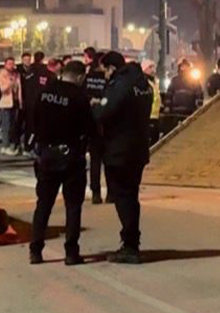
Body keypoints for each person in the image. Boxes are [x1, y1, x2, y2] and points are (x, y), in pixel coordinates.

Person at [29, 60, 97, 266]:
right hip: (71, 157)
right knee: (73, 206)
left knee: (43, 205)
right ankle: (71, 252)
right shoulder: (79, 97)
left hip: (46, 155)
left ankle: (35, 250)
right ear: (79, 77)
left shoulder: (45, 92)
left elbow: (32, 119)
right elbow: (90, 128)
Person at [93, 51, 154, 264]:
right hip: (138, 148)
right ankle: (131, 241)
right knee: (131, 195)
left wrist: (96, 106)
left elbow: (104, 113)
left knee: (123, 197)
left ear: (111, 68)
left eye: (105, 71)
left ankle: (130, 245)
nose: (105, 76)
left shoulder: (121, 84)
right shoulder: (143, 84)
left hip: (120, 149)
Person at [83, 49, 108, 204]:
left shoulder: (87, 77)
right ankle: (111, 192)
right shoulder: (110, 80)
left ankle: (96, 192)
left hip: (92, 122)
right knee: (108, 159)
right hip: (106, 123)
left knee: (95, 160)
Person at [0, 58, 22, 156]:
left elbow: (19, 88)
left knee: (13, 125)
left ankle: (11, 145)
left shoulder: (16, 74)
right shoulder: (1, 74)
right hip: (5, 103)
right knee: (5, 125)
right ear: (5, 64)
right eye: (9, 64)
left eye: (13, 63)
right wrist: (10, 83)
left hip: (14, 102)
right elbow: (2, 89)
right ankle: (4, 146)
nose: (11, 66)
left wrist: (20, 101)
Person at [141, 60, 162, 144]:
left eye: (153, 67)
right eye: (150, 67)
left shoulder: (154, 82)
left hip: (155, 116)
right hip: (148, 116)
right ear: (144, 69)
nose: (153, 70)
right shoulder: (143, 82)